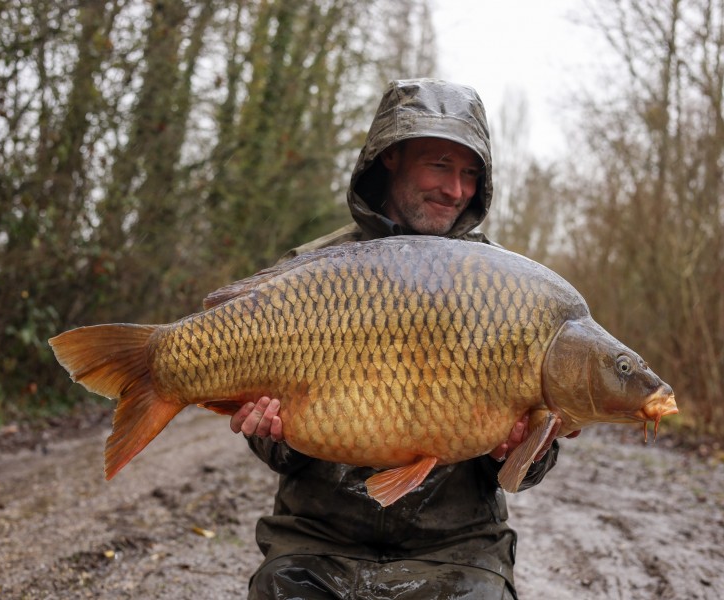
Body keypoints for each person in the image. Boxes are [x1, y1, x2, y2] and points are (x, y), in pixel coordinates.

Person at [229, 78, 578, 599]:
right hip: (319, 542)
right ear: (390, 157)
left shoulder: (508, 289)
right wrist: (268, 431)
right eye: (439, 165)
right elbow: (282, 454)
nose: (455, 190)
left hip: (457, 550)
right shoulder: (307, 273)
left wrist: (514, 451)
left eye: (468, 173)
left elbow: (524, 473)